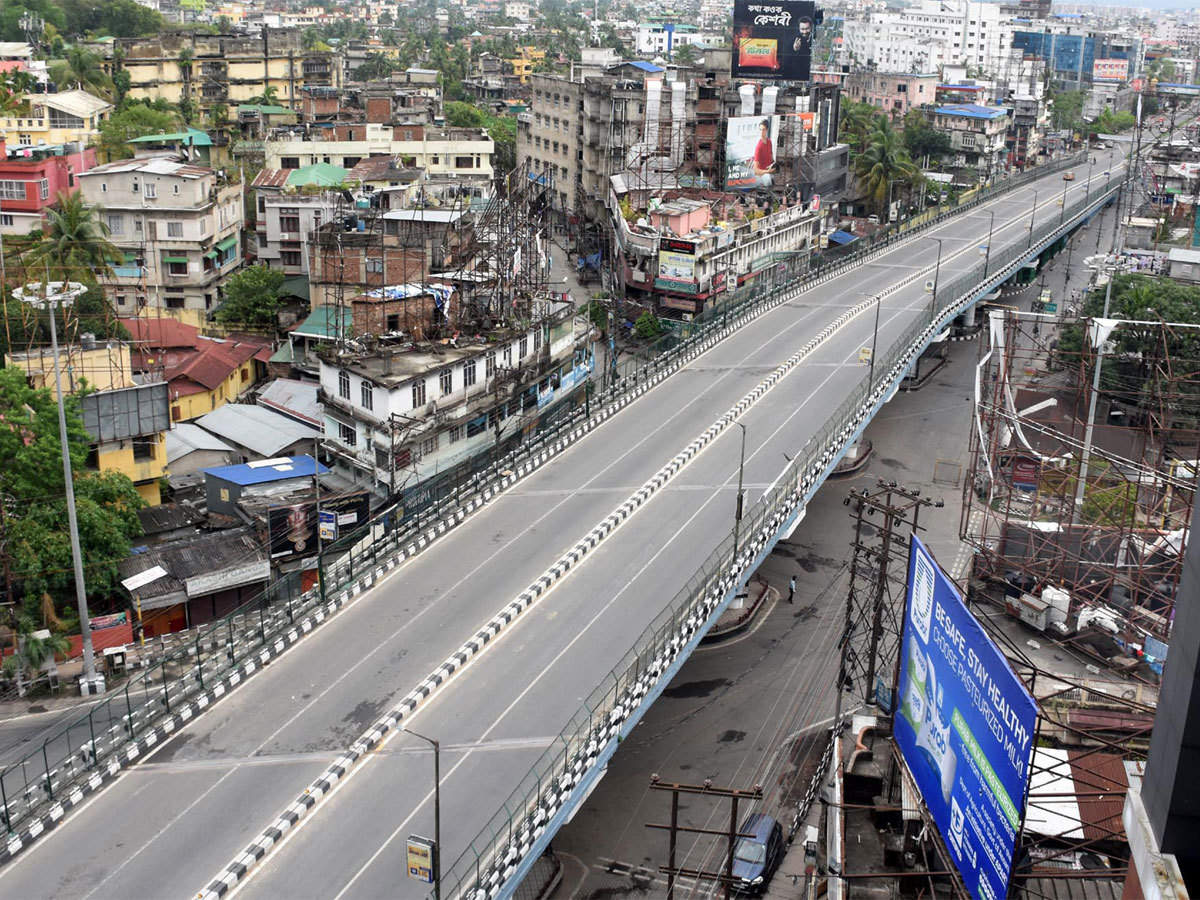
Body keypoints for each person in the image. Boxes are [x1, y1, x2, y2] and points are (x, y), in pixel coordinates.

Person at [752, 119, 776, 189]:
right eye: (760, 130)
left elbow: (771, 159)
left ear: (767, 130)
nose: (761, 132)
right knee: (768, 179)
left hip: (769, 172)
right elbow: (756, 171)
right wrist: (767, 171)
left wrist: (774, 165)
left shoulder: (769, 142)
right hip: (761, 175)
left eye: (763, 130)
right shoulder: (759, 147)